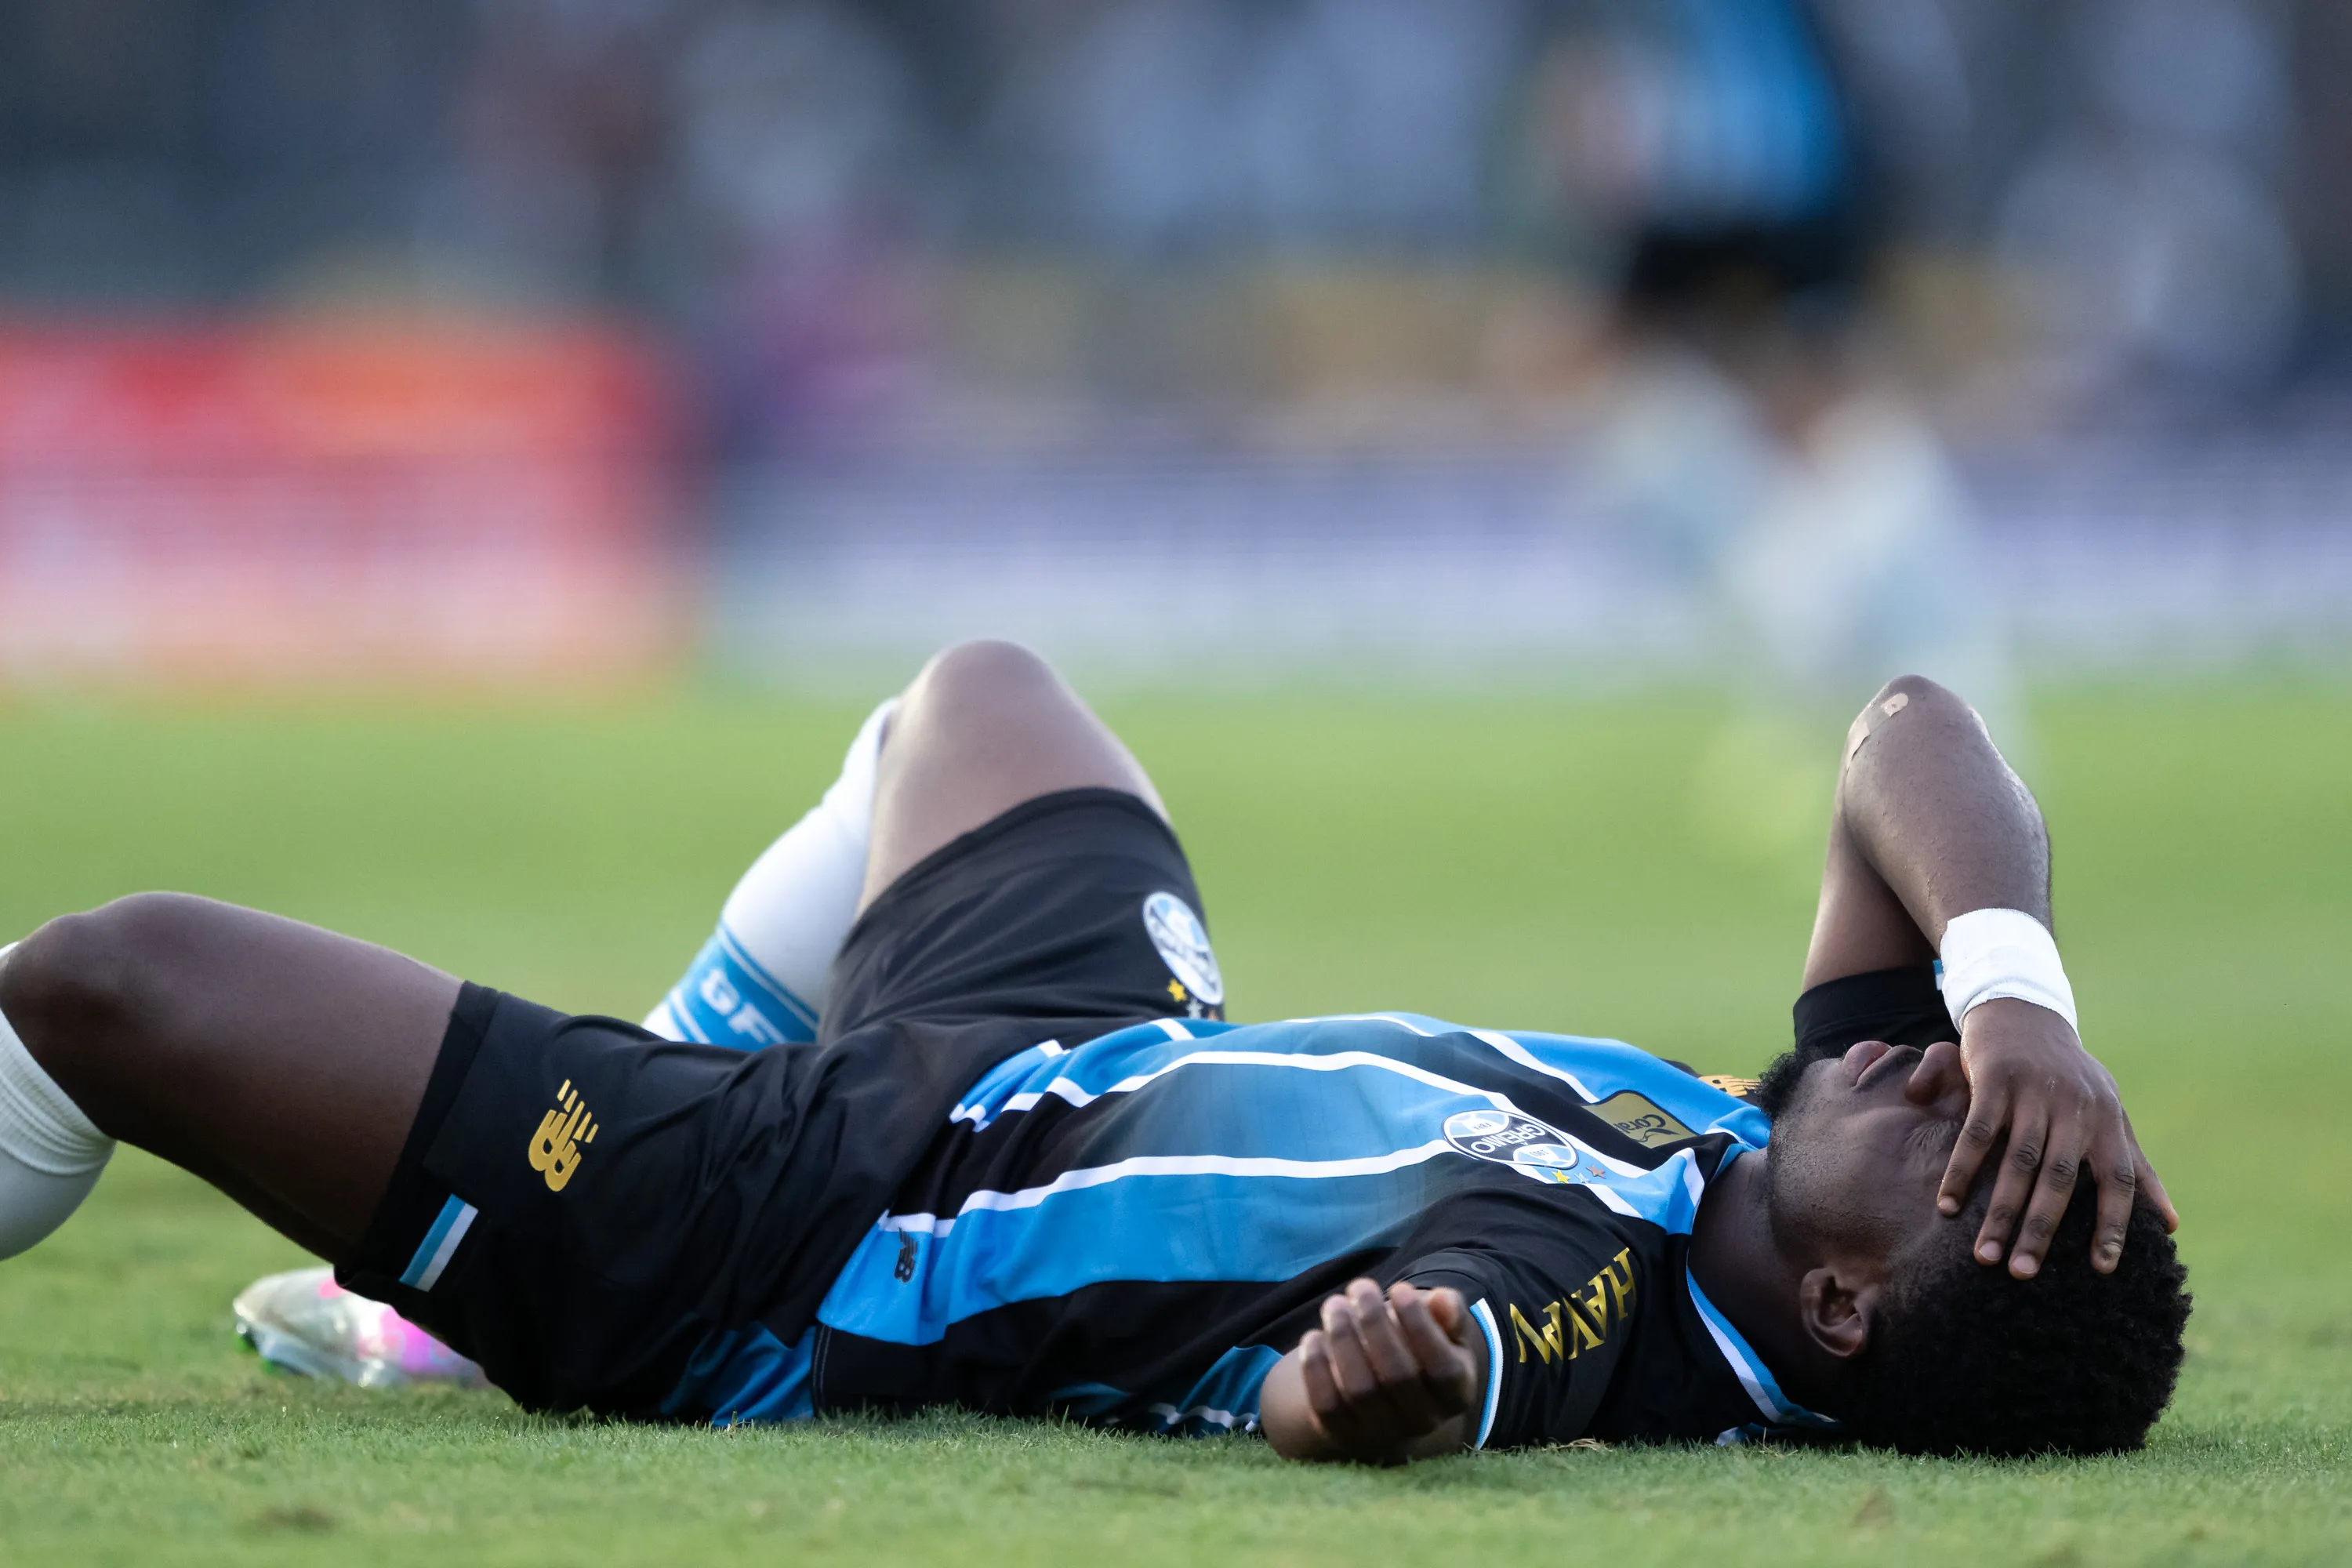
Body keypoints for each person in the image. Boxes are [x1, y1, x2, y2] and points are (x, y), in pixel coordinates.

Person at [0, 644, 2186, 1459]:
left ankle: (522, 1268)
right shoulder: (1768, 1145)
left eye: (1960, 1138)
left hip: (793, 1235)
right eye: (1969, 1078)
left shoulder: (1593, 1305)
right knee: (973, 703)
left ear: (1836, 1305)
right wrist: (2018, 992)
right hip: (1074, 1047)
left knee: (113, 984)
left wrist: (1381, 1382)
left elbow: (1419, 1379)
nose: (1933, 1083)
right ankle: (455, 1307)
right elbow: (1908, 735)